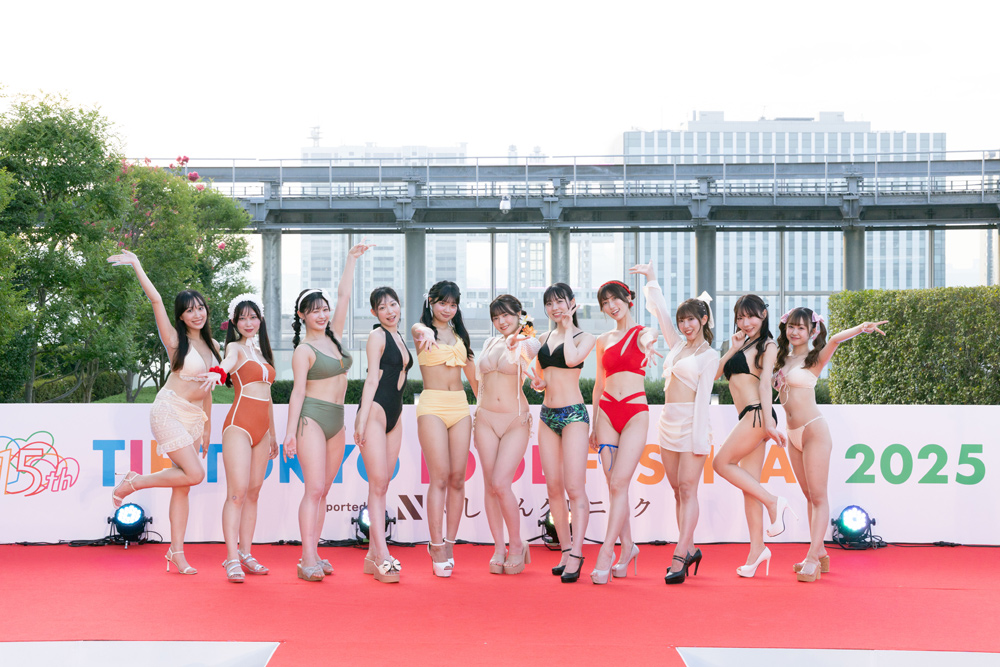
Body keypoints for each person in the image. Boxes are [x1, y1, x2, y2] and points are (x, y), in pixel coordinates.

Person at [107, 249, 221, 575]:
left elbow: (209, 391)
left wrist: (208, 427)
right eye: (189, 310)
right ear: (181, 317)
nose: (197, 314)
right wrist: (137, 264)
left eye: (200, 308)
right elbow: (156, 300)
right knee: (195, 474)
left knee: (183, 485)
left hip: (194, 418)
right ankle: (135, 482)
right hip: (169, 410)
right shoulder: (175, 341)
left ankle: (176, 552)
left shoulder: (215, 347)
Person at [775, 308, 888, 582]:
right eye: (791, 326)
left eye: (801, 328)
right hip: (791, 433)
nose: (795, 332)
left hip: (814, 431)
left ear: (812, 331)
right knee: (808, 496)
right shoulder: (782, 359)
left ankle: (812, 558)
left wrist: (861, 327)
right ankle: (821, 552)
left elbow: (835, 339)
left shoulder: (815, 358)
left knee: (818, 496)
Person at [283, 241, 373, 582]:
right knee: (314, 489)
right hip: (312, 418)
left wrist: (351, 260)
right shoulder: (303, 350)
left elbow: (344, 296)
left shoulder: (333, 338)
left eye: (324, 310)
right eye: (314, 311)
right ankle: (306, 558)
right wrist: (290, 433)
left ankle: (315, 552)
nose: (321, 315)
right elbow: (297, 392)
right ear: (302, 315)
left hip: (338, 419)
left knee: (324, 491)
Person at [633, 263, 719, 584]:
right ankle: (692, 547)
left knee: (687, 488)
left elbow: (703, 400)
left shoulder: (710, 355)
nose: (685, 325)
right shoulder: (677, 345)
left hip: (692, 425)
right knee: (676, 491)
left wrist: (699, 439)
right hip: (667, 423)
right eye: (682, 320)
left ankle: (680, 553)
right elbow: (660, 313)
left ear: (704, 320)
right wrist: (652, 279)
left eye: (691, 320)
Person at [712, 294, 788, 578]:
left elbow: (766, 385)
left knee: (720, 464)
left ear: (764, 315)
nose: (746, 323)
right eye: (740, 318)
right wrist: (732, 349)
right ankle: (757, 549)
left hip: (757, 415)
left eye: (752, 316)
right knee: (749, 487)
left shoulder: (768, 345)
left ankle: (773, 502)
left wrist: (768, 423)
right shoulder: (739, 343)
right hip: (748, 416)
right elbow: (713, 375)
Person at [589, 280, 659, 585]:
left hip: (634, 413)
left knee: (619, 483)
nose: (611, 306)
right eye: (605, 302)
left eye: (615, 299)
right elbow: (598, 384)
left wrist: (650, 343)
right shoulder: (602, 340)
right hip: (606, 413)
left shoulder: (642, 332)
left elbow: (650, 335)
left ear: (628, 298)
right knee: (613, 486)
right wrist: (594, 423)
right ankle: (628, 546)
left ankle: (607, 551)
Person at [411, 281, 478, 577]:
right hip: (432, 406)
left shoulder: (461, 335)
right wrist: (424, 331)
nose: (447, 309)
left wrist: (486, 406)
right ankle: (435, 544)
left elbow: (474, 379)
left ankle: (450, 543)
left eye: (452, 304)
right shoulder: (422, 331)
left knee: (457, 479)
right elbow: (416, 328)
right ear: (431, 302)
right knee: (438, 477)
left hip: (460, 406)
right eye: (442, 303)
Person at [529, 283, 596, 583]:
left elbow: (570, 360)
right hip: (547, 415)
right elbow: (540, 375)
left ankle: (578, 553)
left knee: (574, 486)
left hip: (573, 415)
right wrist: (539, 382)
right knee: (553, 487)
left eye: (560, 302)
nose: (555, 308)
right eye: (549, 303)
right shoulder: (542, 338)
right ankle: (566, 549)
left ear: (572, 303)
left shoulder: (585, 337)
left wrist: (567, 328)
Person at [474, 294, 540, 575]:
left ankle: (516, 545)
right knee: (490, 485)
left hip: (515, 420)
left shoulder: (527, 341)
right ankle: (499, 547)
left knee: (501, 483)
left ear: (519, 316)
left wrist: (519, 338)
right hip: (485, 419)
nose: (501, 321)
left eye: (507, 315)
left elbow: (530, 347)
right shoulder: (490, 342)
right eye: (496, 317)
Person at [216, 294, 278, 583]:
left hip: (263, 431)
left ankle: (245, 553)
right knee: (237, 493)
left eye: (253, 317)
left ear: (260, 320)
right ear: (234, 322)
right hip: (238, 426)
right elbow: (228, 362)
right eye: (242, 318)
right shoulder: (235, 348)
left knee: (253, 493)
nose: (248, 322)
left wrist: (273, 434)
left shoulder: (263, 354)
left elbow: (268, 398)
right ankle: (231, 558)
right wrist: (218, 372)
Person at [355, 287, 413, 583]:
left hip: (396, 415)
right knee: (378, 485)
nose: (390, 311)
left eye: (393, 304)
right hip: (376, 413)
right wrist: (362, 419)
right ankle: (383, 556)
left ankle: (371, 555)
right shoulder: (377, 336)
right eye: (382, 307)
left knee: (383, 484)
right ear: (374, 313)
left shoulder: (400, 336)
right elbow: (371, 379)